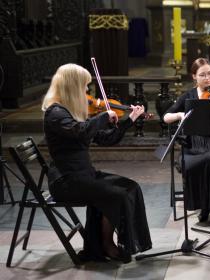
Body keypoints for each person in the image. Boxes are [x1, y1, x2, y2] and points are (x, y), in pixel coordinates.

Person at [42, 63, 152, 263]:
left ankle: (102, 244)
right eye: (84, 86)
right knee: (116, 195)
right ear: (72, 86)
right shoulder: (55, 113)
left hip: (83, 175)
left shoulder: (71, 113)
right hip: (66, 181)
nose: (86, 91)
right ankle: (106, 244)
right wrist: (102, 117)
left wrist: (130, 120)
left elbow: (106, 139)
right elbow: (80, 131)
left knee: (130, 187)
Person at [163, 57, 210, 227]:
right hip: (193, 146)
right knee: (199, 165)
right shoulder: (188, 97)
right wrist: (180, 115)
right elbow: (166, 117)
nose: (207, 78)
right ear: (194, 76)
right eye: (202, 75)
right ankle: (203, 207)